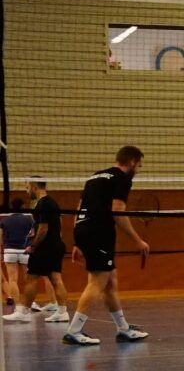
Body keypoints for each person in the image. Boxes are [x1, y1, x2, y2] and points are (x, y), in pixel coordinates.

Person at [63, 145, 150, 346]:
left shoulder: (94, 177)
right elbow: (118, 212)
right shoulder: (122, 178)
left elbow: (79, 208)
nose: (139, 170)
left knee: (110, 282)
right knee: (97, 282)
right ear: (131, 162)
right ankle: (73, 331)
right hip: (99, 231)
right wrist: (138, 241)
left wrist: (78, 241)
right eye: (139, 165)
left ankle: (123, 329)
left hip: (84, 228)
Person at [23, 180, 71, 322]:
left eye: (27, 187)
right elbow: (58, 224)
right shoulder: (52, 203)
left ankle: (23, 311)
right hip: (55, 245)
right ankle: (62, 312)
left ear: (34, 186)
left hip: (45, 246)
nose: (26, 191)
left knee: (31, 276)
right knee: (56, 278)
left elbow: (44, 228)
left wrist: (33, 246)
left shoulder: (43, 204)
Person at [1, 194, 31, 322]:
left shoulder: (5, 221)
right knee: (28, 280)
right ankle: (27, 307)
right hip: (25, 251)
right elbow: (33, 233)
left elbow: (1, 236)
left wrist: (2, 249)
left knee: (13, 280)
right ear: (23, 206)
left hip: (10, 251)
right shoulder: (29, 219)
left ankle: (18, 309)